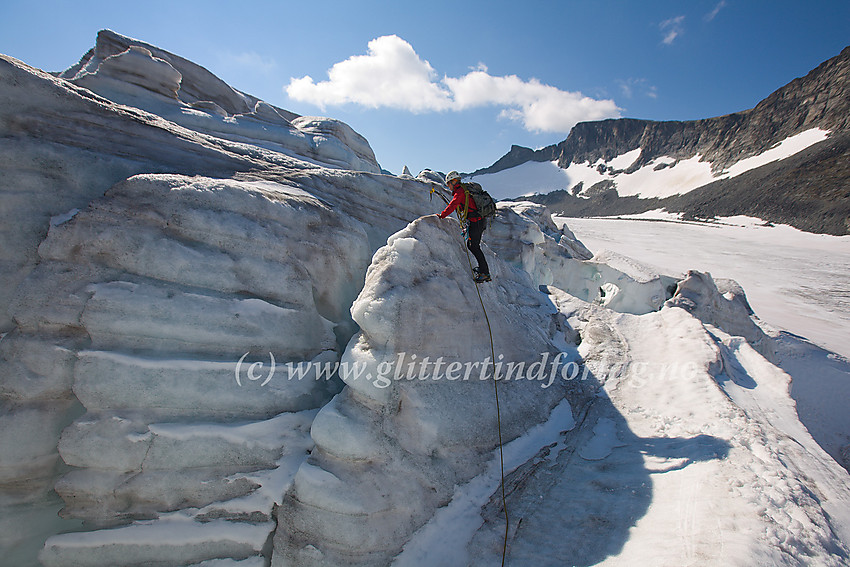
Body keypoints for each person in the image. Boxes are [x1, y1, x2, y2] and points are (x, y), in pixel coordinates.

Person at [438, 171, 491, 283]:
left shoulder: (460, 191)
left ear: (453, 181)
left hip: (476, 222)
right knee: (472, 245)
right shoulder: (463, 190)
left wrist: (442, 215)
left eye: (448, 184)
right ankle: (483, 269)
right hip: (477, 221)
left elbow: (453, 204)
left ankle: (485, 273)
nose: (448, 186)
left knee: (474, 246)